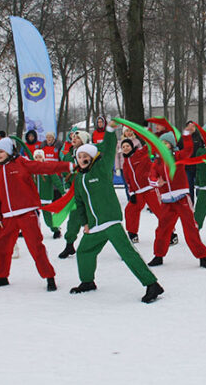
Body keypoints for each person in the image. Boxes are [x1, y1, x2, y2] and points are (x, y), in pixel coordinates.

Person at [69, 122, 164, 303]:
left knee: (127, 253)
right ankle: (87, 281)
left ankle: (152, 285)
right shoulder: (79, 179)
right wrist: (85, 223)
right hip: (95, 225)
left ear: (92, 157)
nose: (82, 158)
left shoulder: (102, 169)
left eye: (85, 155)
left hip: (110, 221)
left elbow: (110, 147)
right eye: (79, 156)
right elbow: (79, 203)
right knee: (83, 251)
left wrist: (111, 130)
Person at [0, 137, 74, 291]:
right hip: (7, 217)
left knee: (35, 246)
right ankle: (1, 276)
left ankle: (49, 276)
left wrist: (68, 166)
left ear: (9, 151)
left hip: (27, 213)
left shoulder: (21, 163)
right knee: (1, 245)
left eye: (1, 151)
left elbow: (45, 167)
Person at [146, 128, 206, 269]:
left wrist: (187, 134)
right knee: (162, 229)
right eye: (161, 142)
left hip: (182, 198)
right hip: (167, 201)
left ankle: (202, 257)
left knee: (190, 228)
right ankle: (158, 255)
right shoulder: (157, 161)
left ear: (171, 145)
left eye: (166, 143)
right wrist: (156, 182)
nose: (163, 145)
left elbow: (188, 149)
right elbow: (151, 176)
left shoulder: (178, 156)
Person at [121, 139, 164, 243]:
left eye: (127, 146)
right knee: (130, 210)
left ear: (132, 146)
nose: (126, 148)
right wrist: (132, 193)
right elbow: (128, 180)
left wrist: (145, 130)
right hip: (137, 192)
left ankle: (170, 232)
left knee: (159, 210)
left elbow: (149, 144)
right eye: (123, 147)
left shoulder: (140, 153)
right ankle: (132, 233)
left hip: (149, 188)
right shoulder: (125, 163)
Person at [58, 130, 91, 258]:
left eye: (77, 137)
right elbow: (64, 172)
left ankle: (91, 244)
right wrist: (67, 186)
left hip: (89, 192)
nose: (74, 138)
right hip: (75, 193)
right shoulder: (68, 156)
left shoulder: (90, 154)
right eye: (73, 137)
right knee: (74, 220)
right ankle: (69, 245)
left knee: (95, 220)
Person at [32, 149, 64, 239]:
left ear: (43, 158)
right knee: (30, 216)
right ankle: (26, 231)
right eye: (36, 157)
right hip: (34, 198)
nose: (38, 159)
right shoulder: (32, 169)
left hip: (45, 198)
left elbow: (56, 181)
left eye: (40, 157)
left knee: (48, 219)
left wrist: (63, 191)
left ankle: (56, 230)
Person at [183, 121, 204, 203]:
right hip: (187, 167)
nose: (191, 128)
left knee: (199, 186)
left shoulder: (199, 137)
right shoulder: (183, 138)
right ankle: (191, 203)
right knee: (189, 187)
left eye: (193, 126)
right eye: (189, 126)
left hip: (198, 167)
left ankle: (201, 203)